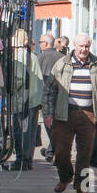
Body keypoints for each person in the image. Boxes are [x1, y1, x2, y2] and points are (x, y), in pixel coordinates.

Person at [43, 33, 97, 193]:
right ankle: (65, 177)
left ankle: (83, 189)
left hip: (89, 113)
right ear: (75, 46)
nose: (84, 49)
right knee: (60, 152)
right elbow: (49, 90)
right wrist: (48, 113)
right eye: (81, 46)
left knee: (85, 154)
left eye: (87, 46)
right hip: (64, 113)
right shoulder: (62, 63)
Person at [8, 29, 45, 171]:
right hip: (33, 99)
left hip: (23, 100)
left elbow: (18, 79)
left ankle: (21, 160)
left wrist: (7, 87)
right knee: (30, 131)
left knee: (21, 131)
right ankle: (27, 160)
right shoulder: (32, 56)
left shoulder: (20, 56)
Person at [36, 33, 62, 161]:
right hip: (60, 95)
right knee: (57, 124)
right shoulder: (62, 57)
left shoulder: (39, 57)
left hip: (45, 96)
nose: (39, 44)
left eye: (40, 42)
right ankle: (51, 151)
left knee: (49, 124)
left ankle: (53, 150)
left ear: (45, 44)